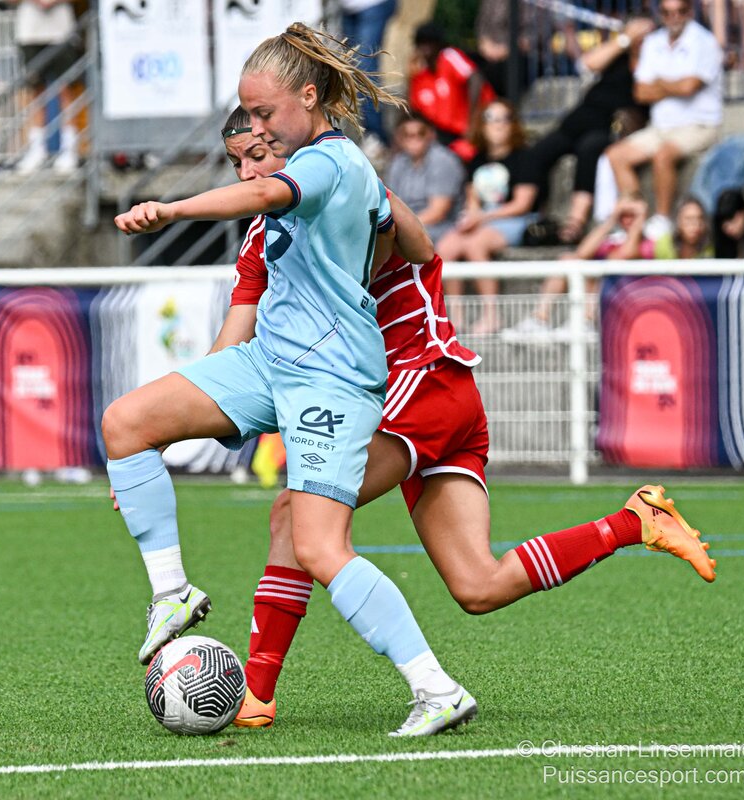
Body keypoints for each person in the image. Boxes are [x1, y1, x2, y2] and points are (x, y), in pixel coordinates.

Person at [214, 124, 716, 732]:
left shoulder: (351, 192)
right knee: (479, 585)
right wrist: (155, 440)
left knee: (295, 517)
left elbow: (421, 247)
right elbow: (226, 359)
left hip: (418, 383)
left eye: (261, 155)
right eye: (238, 162)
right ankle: (634, 522)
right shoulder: (268, 237)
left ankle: (260, 694)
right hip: (436, 402)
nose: (250, 173)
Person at [108, 24, 476, 736]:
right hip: (269, 362)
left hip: (330, 379)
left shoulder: (333, 161)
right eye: (248, 118)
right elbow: (405, 240)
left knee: (318, 546)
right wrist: (155, 459)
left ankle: (436, 689)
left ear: (309, 98)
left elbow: (273, 195)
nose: (257, 129)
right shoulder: (321, 172)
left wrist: (172, 209)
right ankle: (172, 593)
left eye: (265, 114)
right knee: (127, 424)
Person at [526, 16, 655, 244]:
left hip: (612, 127)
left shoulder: (656, 63)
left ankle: (575, 221)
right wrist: (625, 39)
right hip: (582, 119)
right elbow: (587, 64)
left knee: (589, 149)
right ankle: (535, 218)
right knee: (539, 151)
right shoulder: (618, 56)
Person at [604, 0, 724, 236]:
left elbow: (689, 87)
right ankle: (634, 219)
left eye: (680, 11)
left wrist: (659, 84)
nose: (674, 17)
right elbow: (641, 92)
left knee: (663, 154)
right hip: (660, 128)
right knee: (616, 155)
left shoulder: (705, 42)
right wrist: (675, 85)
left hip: (700, 126)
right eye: (667, 13)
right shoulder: (653, 42)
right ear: (660, 14)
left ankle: (662, 220)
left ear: (690, 12)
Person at [436, 99, 543, 333]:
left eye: (504, 118)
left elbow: (522, 204)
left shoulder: (525, 157)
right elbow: (472, 200)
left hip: (517, 220)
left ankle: (491, 314)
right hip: (484, 220)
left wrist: (482, 218)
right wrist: (470, 218)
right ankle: (456, 316)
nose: (498, 124)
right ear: (482, 125)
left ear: (513, 124)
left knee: (475, 244)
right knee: (446, 246)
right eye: (491, 118)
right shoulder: (477, 159)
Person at [503, 198, 654, 342]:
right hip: (604, 294)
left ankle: (586, 322)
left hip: (625, 298)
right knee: (568, 260)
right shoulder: (612, 239)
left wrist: (639, 219)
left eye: (632, 216)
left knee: (596, 270)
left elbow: (625, 254)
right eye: (624, 215)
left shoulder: (649, 242)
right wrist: (611, 219)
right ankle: (539, 319)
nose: (627, 220)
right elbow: (582, 253)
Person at [9, 0, 82, 175]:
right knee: (35, 92)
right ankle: (37, 150)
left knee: (65, 89)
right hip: (30, 33)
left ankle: (69, 149)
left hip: (62, 33)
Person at [408, 23, 496, 161]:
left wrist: (472, 124)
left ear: (438, 44)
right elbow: (414, 110)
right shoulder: (420, 75)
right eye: (421, 44)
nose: (426, 49)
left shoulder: (449, 56)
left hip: (473, 127)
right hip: (445, 136)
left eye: (430, 43)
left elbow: (475, 78)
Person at [386, 116, 464, 243]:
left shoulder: (443, 160)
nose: (414, 138)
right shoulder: (398, 162)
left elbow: (437, 212)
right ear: (399, 138)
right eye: (406, 134)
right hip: (406, 224)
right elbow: (392, 203)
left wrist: (402, 228)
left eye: (420, 132)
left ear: (431, 134)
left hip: (442, 228)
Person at [339, 0, 397, 160]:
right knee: (349, 66)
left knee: (365, 66)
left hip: (372, 4)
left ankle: (377, 136)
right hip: (346, 8)